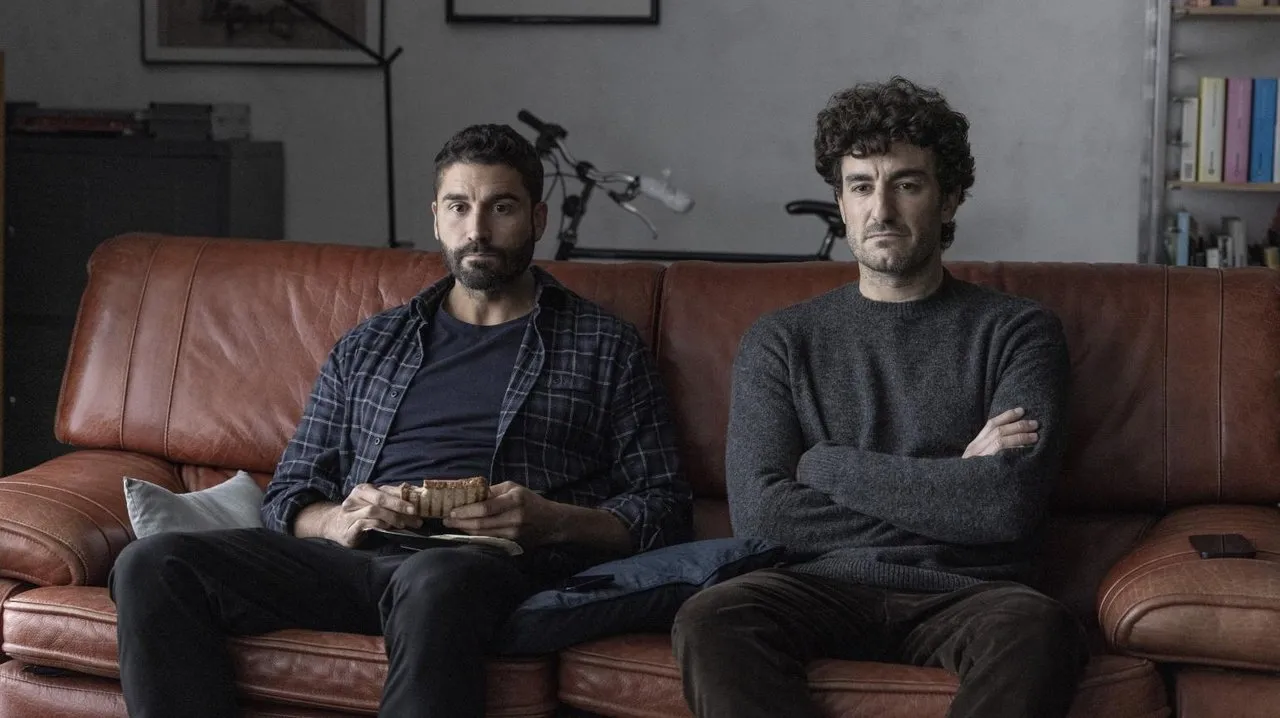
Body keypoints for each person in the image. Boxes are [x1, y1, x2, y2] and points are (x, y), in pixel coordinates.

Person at [109, 123, 691, 718]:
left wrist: (553, 522)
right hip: (356, 560)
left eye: (502, 207)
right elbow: (287, 493)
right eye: (458, 207)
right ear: (436, 218)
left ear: (537, 219)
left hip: (487, 566)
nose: (477, 230)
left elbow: (665, 507)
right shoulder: (370, 344)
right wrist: (336, 519)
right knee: (151, 563)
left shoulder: (604, 346)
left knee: (437, 576)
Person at [671, 77, 1088, 718]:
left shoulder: (1018, 331)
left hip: (969, 592)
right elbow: (762, 517)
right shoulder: (780, 341)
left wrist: (823, 466)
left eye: (907, 185)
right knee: (712, 617)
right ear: (840, 202)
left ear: (950, 199)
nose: (882, 211)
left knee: (1040, 628)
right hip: (812, 585)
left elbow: (1004, 506)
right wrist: (953, 484)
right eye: (862, 186)